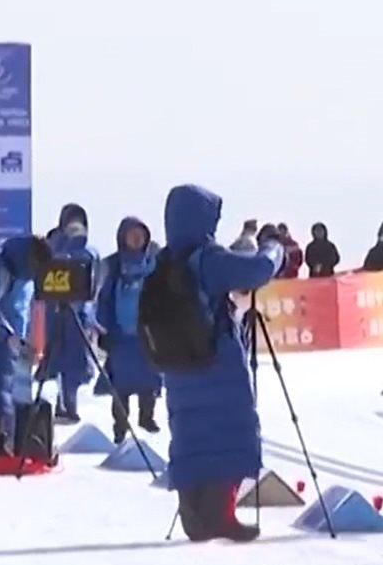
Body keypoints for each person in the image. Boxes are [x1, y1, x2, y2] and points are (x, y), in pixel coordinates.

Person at [155, 184, 285, 542]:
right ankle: (221, 516)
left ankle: (194, 516)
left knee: (190, 437)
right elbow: (257, 269)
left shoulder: (165, 262)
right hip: (215, 362)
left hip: (178, 368)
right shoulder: (207, 260)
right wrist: (274, 247)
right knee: (229, 431)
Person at [95, 217, 163, 443]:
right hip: (121, 337)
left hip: (148, 335)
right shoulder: (113, 267)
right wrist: (103, 329)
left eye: (140, 235)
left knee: (149, 380)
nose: (136, 239)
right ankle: (120, 425)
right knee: (120, 386)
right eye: (131, 235)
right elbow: (104, 300)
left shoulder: (154, 265)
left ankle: (147, 417)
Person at [0, 235, 48, 459]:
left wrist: (22, 342)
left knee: (8, 395)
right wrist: (6, 336)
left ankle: (4, 442)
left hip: (8, 347)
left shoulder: (22, 278)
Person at [39, 204, 98, 426]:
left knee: (74, 363)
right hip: (55, 313)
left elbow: (92, 280)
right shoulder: (51, 246)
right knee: (55, 360)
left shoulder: (88, 250)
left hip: (78, 315)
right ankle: (57, 404)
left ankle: (69, 405)